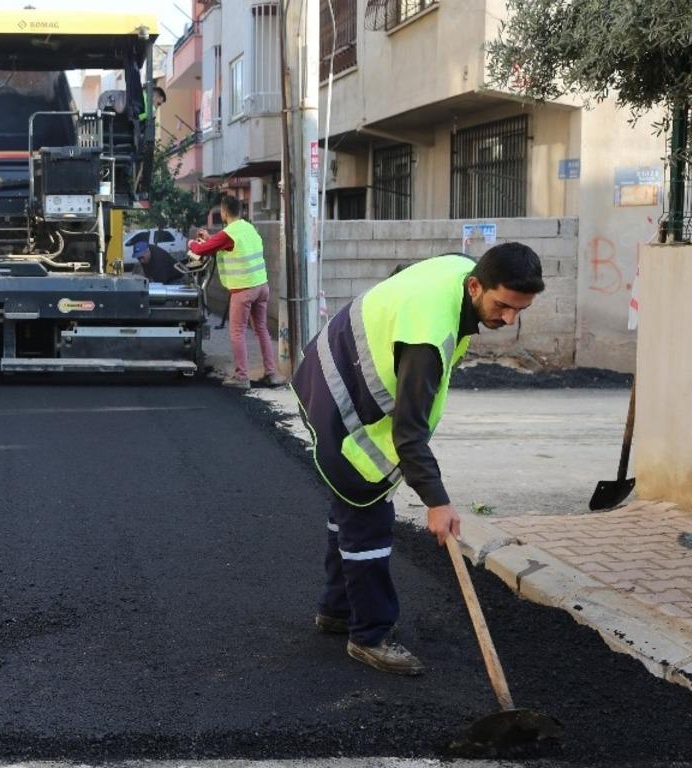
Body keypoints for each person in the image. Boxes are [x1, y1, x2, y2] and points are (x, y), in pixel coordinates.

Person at [291, 243, 545, 676]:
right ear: (474, 286)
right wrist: (437, 501)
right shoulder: (427, 336)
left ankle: (337, 610)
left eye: (520, 310)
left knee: (349, 508)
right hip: (340, 398)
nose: (508, 319)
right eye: (502, 306)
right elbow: (408, 433)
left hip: (332, 367)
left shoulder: (460, 270)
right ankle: (369, 636)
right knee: (367, 511)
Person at [190, 196, 284, 389]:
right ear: (240, 211)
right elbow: (228, 245)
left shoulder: (229, 234)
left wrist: (191, 243)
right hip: (261, 286)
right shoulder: (249, 228)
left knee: (237, 332)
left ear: (224, 212)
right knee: (262, 330)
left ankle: (241, 376)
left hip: (243, 290)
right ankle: (271, 374)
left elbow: (200, 250)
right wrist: (210, 239)